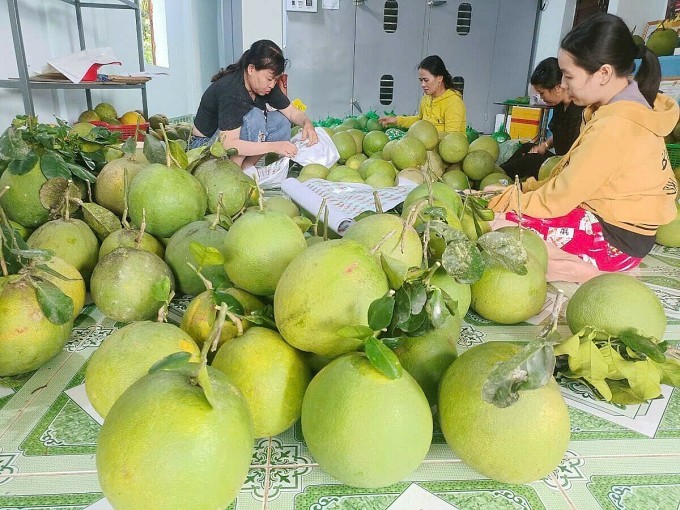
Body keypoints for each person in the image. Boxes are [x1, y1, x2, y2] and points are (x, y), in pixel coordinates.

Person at [489, 13, 679, 272]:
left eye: (569, 76)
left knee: (498, 225)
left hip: (615, 242)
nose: (564, 86)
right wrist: (522, 192)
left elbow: (559, 198)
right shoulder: (623, 109)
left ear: (603, 73)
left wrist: (509, 202)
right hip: (625, 232)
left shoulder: (615, 126)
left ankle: (586, 272)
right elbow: (569, 180)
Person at [190, 39, 318, 168]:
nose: (272, 85)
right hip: (204, 148)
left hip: (225, 141)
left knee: (281, 121)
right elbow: (228, 143)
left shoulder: (265, 87)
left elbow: (291, 112)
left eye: (275, 80)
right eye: (269, 79)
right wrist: (274, 146)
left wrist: (307, 124)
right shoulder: (231, 90)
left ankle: (248, 168)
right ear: (251, 69)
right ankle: (234, 172)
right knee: (254, 116)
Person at [501, 57, 585, 180]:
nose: (541, 97)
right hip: (558, 159)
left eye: (542, 93)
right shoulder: (559, 106)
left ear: (557, 88)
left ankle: (500, 176)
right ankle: (499, 173)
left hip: (568, 166)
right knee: (527, 147)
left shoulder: (579, 111)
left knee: (530, 161)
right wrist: (544, 146)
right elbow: (558, 135)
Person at [378, 55, 466, 133]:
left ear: (439, 78)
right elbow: (420, 120)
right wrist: (396, 120)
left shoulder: (453, 103)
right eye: (421, 80)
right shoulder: (426, 98)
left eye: (426, 80)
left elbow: (451, 138)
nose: (423, 84)